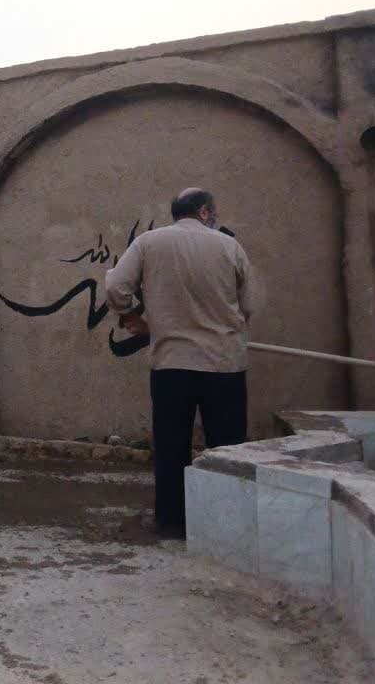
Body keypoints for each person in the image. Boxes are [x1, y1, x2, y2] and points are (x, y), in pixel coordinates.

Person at [104, 188, 256, 538]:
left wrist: (131, 317)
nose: (215, 217)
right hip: (224, 364)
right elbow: (248, 305)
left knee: (172, 446)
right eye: (213, 211)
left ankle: (172, 522)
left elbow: (115, 287)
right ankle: (227, 524)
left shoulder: (148, 243)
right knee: (228, 448)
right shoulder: (229, 246)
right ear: (204, 212)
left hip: (172, 364)